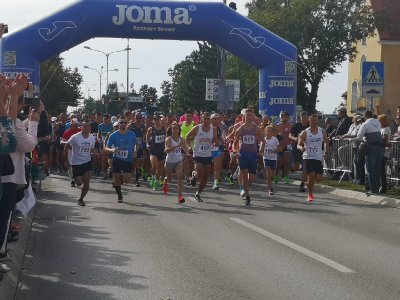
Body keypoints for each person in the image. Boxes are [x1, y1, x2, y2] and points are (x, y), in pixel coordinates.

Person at [234, 108, 264, 205]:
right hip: (243, 154)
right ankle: (248, 197)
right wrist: (236, 151)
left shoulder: (256, 128)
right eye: (248, 115)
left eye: (251, 115)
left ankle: (244, 186)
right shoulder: (240, 129)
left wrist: (261, 150)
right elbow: (235, 142)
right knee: (245, 177)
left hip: (253, 154)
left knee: (252, 178)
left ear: (253, 117)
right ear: (244, 117)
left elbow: (263, 141)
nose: (250, 117)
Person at [186, 112, 217, 202]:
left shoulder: (213, 129)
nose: (207, 121)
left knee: (205, 177)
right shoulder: (197, 128)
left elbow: (214, 140)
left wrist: (217, 142)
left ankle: (198, 193)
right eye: (205, 118)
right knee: (200, 173)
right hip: (198, 154)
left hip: (208, 155)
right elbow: (187, 137)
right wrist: (189, 147)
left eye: (208, 119)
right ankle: (194, 175)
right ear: (201, 119)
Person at [297, 114, 329, 202]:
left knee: (319, 178)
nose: (314, 122)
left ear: (317, 121)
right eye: (312, 121)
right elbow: (298, 145)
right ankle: (310, 194)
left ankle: (309, 182)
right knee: (311, 176)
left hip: (318, 157)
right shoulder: (305, 132)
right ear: (309, 121)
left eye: (316, 121)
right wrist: (301, 148)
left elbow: (326, 142)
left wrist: (326, 152)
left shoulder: (322, 131)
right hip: (308, 157)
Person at [105, 116, 138, 202]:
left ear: (127, 124)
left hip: (128, 160)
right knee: (116, 178)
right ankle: (120, 196)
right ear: (118, 124)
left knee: (127, 180)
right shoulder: (113, 135)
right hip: (117, 159)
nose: (123, 124)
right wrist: (112, 150)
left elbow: (137, 144)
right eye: (121, 122)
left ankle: (117, 180)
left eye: (125, 122)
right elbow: (106, 148)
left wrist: (135, 152)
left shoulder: (132, 134)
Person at [66, 119, 97, 206]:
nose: (87, 127)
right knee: (79, 183)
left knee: (87, 181)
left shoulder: (92, 138)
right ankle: (75, 176)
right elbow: (66, 147)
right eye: (85, 126)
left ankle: (81, 199)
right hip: (76, 162)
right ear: (81, 127)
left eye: (89, 126)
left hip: (87, 162)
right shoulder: (75, 137)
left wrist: (94, 154)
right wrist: (67, 161)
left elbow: (92, 149)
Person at [355, 111, 383, 194]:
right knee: (377, 169)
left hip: (370, 147)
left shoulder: (365, 124)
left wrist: (363, 138)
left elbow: (359, 137)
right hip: (379, 147)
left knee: (371, 169)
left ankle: (373, 190)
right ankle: (377, 189)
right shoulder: (377, 122)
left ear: (365, 116)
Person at [163, 122, 189, 203]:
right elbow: (166, 150)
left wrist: (189, 154)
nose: (175, 130)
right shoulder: (169, 139)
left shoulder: (182, 139)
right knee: (169, 178)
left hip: (179, 160)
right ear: (171, 130)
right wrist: (177, 146)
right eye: (173, 128)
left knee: (180, 177)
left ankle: (180, 196)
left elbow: (184, 148)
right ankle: (165, 181)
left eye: (177, 128)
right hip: (169, 161)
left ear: (179, 130)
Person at [289, 111, 309, 192]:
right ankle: (292, 167)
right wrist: (295, 139)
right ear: (300, 118)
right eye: (302, 118)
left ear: (308, 118)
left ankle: (302, 184)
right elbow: (290, 135)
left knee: (305, 168)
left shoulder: (309, 126)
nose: (304, 120)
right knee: (296, 167)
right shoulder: (296, 125)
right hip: (296, 147)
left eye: (306, 118)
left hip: (306, 148)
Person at [146, 114, 166, 191]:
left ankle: (156, 181)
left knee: (160, 168)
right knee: (155, 165)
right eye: (155, 119)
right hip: (153, 150)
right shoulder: (151, 129)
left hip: (162, 151)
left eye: (157, 119)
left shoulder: (164, 128)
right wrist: (147, 143)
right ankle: (153, 177)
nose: (156, 121)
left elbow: (167, 137)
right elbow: (147, 136)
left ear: (160, 120)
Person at [260, 125, 281, 195]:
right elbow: (261, 148)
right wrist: (261, 152)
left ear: (273, 132)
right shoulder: (264, 139)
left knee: (273, 174)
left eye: (271, 131)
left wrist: (276, 150)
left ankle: (271, 179)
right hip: (266, 157)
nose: (269, 132)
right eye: (268, 131)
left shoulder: (275, 139)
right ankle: (270, 188)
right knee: (268, 172)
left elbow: (279, 147)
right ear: (265, 132)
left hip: (273, 158)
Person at [128, 112, 146, 187]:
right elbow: (125, 133)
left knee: (139, 163)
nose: (138, 120)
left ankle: (136, 180)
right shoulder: (131, 125)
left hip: (140, 147)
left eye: (140, 118)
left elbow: (144, 136)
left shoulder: (143, 126)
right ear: (134, 118)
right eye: (137, 118)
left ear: (141, 118)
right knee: (133, 163)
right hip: (131, 147)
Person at [274, 111, 292, 184]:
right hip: (279, 147)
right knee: (278, 161)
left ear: (288, 118)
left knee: (286, 160)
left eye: (285, 117)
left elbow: (292, 136)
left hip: (287, 146)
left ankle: (286, 177)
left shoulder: (290, 126)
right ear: (280, 117)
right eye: (282, 116)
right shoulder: (277, 126)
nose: (284, 118)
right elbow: (274, 136)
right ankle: (276, 176)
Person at [378, 114, 391, 194]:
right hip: (382, 150)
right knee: (380, 169)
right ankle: (382, 186)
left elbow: (385, 141)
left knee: (381, 169)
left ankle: (383, 187)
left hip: (384, 151)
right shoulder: (383, 129)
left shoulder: (386, 129)